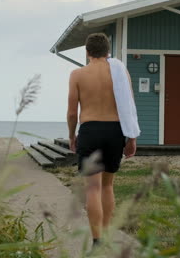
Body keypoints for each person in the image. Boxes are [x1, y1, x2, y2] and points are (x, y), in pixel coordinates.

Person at [66, 33, 138, 247]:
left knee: (93, 188)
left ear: (87, 52)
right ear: (108, 52)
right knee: (107, 187)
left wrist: (72, 135)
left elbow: (71, 113)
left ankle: (97, 239)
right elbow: (130, 106)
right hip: (115, 131)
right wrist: (131, 138)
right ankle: (106, 235)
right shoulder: (120, 72)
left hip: (90, 130)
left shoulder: (77, 74)